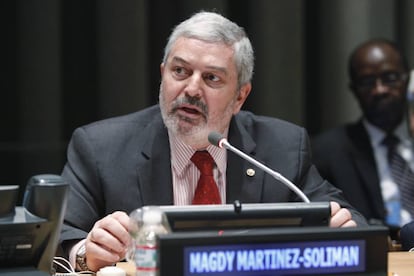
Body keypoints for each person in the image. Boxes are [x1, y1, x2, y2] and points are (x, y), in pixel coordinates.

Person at [59, 11, 367, 272]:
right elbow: (59, 236)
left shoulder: (281, 147)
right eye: (180, 71)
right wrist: (86, 253)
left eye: (212, 78)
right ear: (163, 74)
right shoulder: (101, 147)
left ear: (239, 97)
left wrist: (342, 226)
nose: (191, 88)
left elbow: (351, 220)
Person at [311, 39, 412, 233]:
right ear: (354, 90)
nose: (379, 89)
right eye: (367, 82)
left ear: (406, 79)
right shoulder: (328, 151)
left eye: (389, 78)